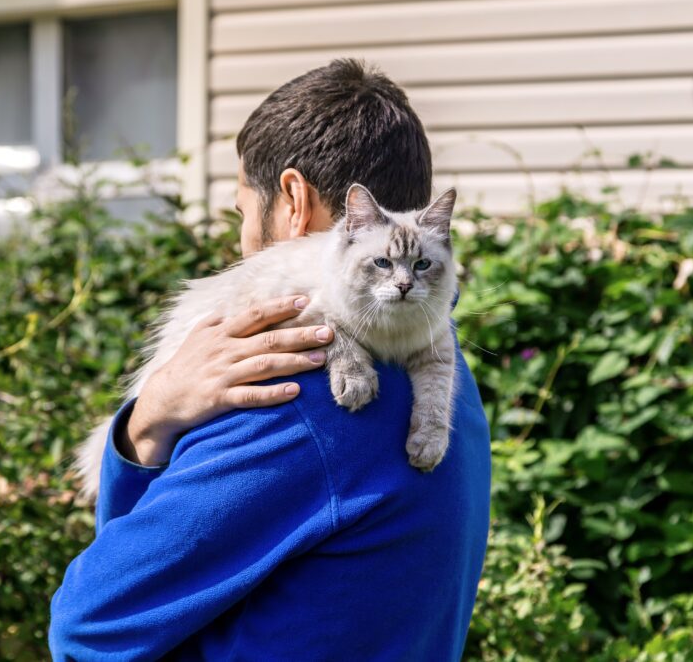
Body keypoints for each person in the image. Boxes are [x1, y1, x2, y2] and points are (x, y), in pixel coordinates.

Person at [49, 59, 491, 661]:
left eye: (241, 214)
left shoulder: (293, 394)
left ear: (292, 199)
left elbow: (91, 627)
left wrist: (148, 425)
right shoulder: (444, 371)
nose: (240, 240)